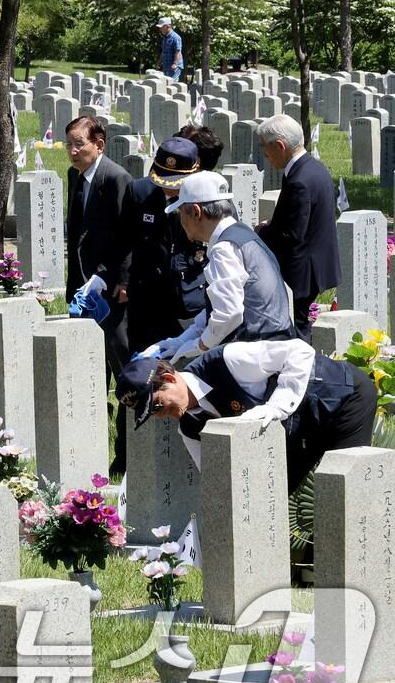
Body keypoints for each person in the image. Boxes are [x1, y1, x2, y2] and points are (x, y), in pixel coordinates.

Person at [118, 341, 376, 493]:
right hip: (300, 431)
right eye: (152, 415)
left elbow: (298, 351)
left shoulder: (227, 360)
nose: (161, 416)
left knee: (345, 488)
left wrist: (276, 407)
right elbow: (217, 482)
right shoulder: (190, 429)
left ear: (169, 379)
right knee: (270, 495)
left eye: (157, 406)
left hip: (341, 397)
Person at [141, 171, 294, 362]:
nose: (180, 222)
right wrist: (180, 341)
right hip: (273, 345)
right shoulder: (242, 233)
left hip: (255, 357)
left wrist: (197, 347)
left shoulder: (224, 249)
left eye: (181, 213)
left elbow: (229, 313)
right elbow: (219, 304)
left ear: (196, 212)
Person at [64, 115, 132, 470]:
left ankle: (124, 456)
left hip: (112, 295)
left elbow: (125, 236)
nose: (73, 151)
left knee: (123, 374)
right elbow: (76, 236)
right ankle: (89, 451)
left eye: (80, 144)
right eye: (69, 145)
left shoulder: (116, 178)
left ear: (99, 145)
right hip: (83, 291)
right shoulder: (76, 177)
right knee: (88, 374)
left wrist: (116, 280)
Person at [255, 113, 339, 342]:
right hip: (315, 262)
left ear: (280, 146)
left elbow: (292, 235)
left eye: (265, 147)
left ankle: (305, 373)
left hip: (301, 270)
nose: (264, 154)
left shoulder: (299, 180)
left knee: (297, 330)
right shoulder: (314, 167)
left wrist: (263, 232)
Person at [119, 138, 206, 352]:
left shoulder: (209, 196)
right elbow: (125, 239)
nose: (168, 188)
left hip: (190, 295)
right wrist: (123, 281)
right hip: (147, 296)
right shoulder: (138, 191)